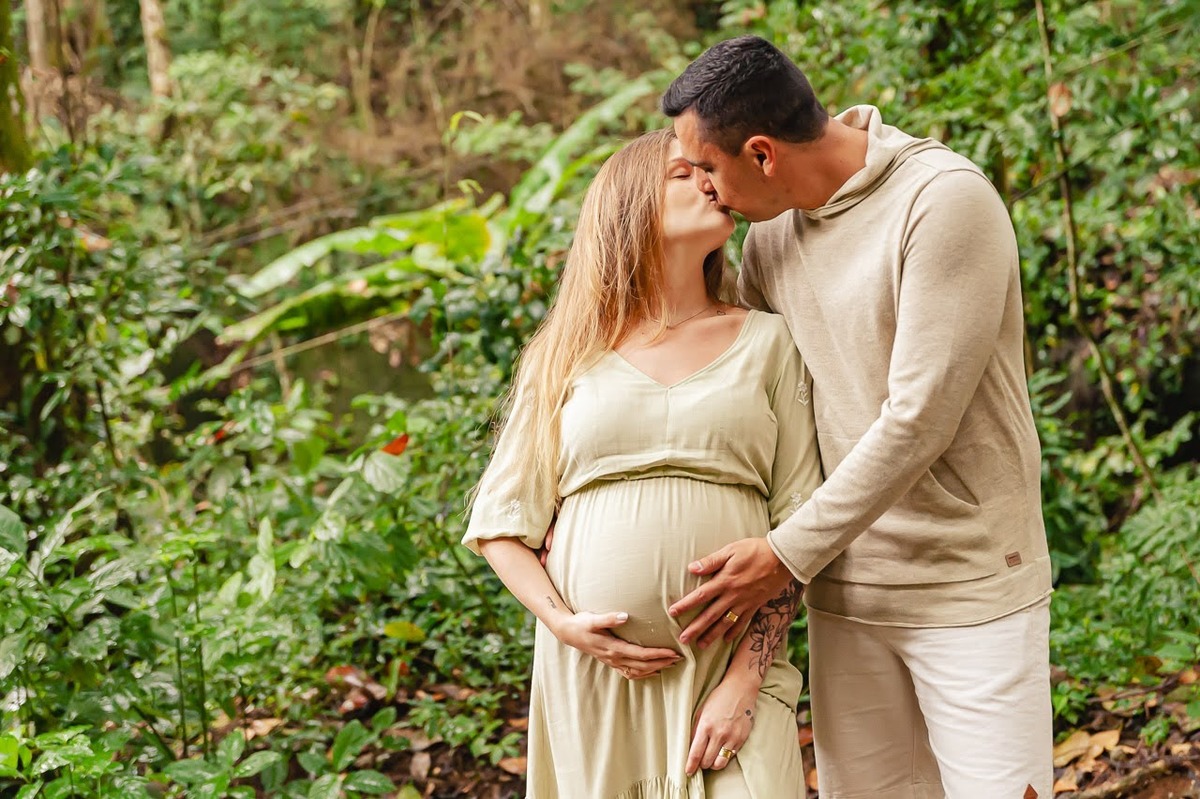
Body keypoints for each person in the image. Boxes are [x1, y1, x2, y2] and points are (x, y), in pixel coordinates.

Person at [660, 35, 1054, 799]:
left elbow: (919, 418)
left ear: (762, 154)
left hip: (967, 586)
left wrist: (783, 553)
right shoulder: (772, 235)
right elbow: (758, 402)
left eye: (708, 167)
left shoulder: (941, 201)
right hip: (845, 594)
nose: (705, 189)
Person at [462, 127, 822, 798]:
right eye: (683, 173)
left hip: (728, 673)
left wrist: (745, 682)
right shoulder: (567, 354)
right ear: (629, 207)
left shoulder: (769, 341)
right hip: (597, 679)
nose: (709, 182)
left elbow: (799, 528)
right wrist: (564, 624)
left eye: (709, 171)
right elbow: (502, 524)